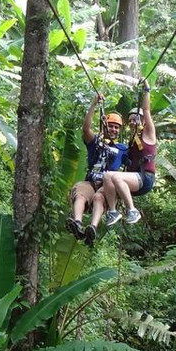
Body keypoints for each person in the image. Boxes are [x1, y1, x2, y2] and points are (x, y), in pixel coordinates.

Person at [66, 94, 127, 246]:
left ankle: (92, 227)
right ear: (105, 126)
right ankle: (77, 223)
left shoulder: (122, 149)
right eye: (111, 126)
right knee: (80, 193)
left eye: (116, 127)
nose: (113, 129)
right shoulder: (95, 142)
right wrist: (94, 104)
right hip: (91, 181)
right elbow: (86, 128)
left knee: (99, 198)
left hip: (106, 186)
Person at [101, 83, 156, 226]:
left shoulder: (148, 134)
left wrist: (146, 90)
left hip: (145, 178)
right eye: (130, 120)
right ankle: (113, 212)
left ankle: (132, 210)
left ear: (142, 121)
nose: (132, 122)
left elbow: (146, 110)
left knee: (116, 177)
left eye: (135, 119)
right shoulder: (133, 141)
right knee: (107, 176)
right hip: (135, 179)